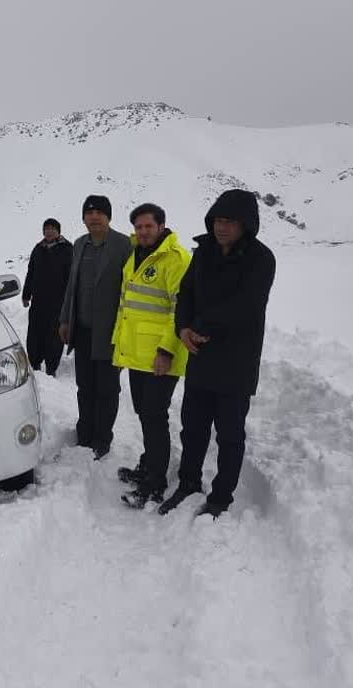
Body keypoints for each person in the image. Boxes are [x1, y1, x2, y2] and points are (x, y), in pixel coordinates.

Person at [157, 189, 276, 518]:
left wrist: (200, 327)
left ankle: (221, 497)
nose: (221, 227)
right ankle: (188, 483)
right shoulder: (204, 252)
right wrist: (183, 328)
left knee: (230, 435)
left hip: (237, 362)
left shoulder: (260, 259)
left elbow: (246, 306)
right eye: (218, 220)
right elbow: (185, 294)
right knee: (192, 428)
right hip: (201, 357)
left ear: (245, 224)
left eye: (230, 222)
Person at [110, 203, 191, 508]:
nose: (143, 231)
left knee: (155, 417)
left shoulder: (176, 259)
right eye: (138, 227)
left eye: (148, 226)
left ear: (161, 226)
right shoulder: (136, 254)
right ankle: (148, 465)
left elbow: (180, 309)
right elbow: (127, 308)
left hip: (161, 356)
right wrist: (120, 350)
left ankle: (155, 483)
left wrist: (166, 350)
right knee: (145, 414)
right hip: (138, 355)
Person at [59, 195, 133, 459]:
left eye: (99, 212)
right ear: (83, 218)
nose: (94, 217)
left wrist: (126, 333)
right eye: (89, 213)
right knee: (85, 386)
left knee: (107, 389)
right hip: (83, 331)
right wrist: (65, 319)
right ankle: (85, 433)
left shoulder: (124, 245)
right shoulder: (80, 244)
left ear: (108, 217)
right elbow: (73, 285)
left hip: (110, 332)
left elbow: (130, 291)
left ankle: (102, 438)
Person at [22, 218, 73, 376]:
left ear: (58, 231)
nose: (49, 231)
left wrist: (70, 300)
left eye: (52, 228)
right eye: (46, 229)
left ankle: (51, 368)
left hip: (58, 303)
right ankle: (35, 364)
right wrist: (26, 294)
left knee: (54, 337)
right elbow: (31, 273)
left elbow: (72, 277)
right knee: (35, 335)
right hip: (38, 302)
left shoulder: (67, 249)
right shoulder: (38, 249)